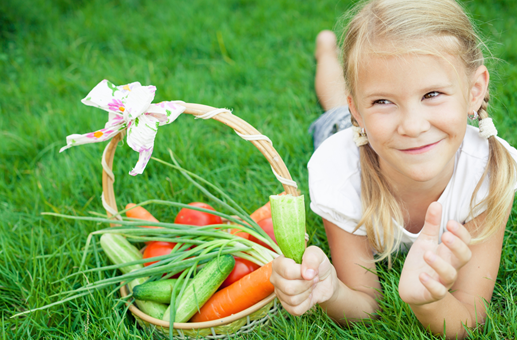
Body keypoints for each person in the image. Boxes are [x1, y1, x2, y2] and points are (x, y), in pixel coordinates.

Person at [269, 0, 517, 338]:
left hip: (378, 136)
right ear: (358, 108)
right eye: (382, 100)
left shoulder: (490, 173)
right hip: (358, 139)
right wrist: (329, 290)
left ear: (474, 92)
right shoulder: (340, 173)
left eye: (432, 94)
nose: (413, 126)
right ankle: (327, 51)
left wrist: (429, 302)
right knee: (333, 106)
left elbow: (469, 316)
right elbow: (364, 304)